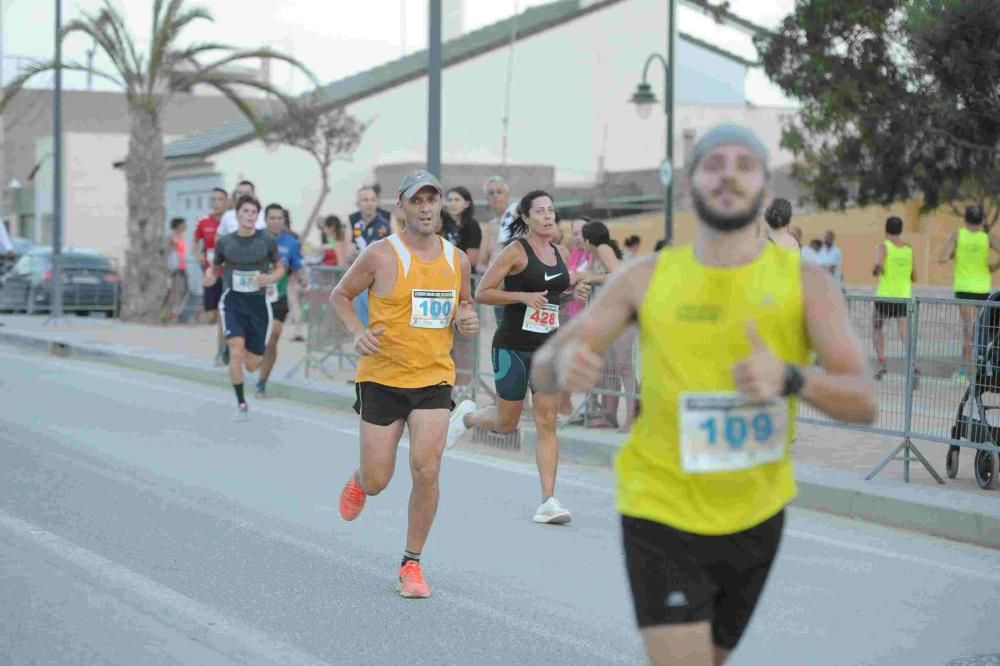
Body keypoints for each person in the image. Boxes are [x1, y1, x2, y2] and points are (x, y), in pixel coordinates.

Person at [530, 123, 877, 666]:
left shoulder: (806, 283)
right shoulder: (646, 278)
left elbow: (865, 401)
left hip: (757, 513)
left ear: (765, 189)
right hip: (660, 507)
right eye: (714, 164)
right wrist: (563, 365)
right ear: (691, 185)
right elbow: (545, 364)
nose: (729, 175)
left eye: (745, 164)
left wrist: (791, 378)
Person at [331, 170, 479, 599]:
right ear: (403, 206)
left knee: (426, 468)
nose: (427, 208)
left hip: (433, 377)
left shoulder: (457, 260)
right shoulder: (380, 254)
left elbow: (463, 305)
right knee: (380, 478)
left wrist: (466, 318)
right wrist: (358, 331)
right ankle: (361, 480)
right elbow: (340, 295)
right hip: (382, 377)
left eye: (433, 200)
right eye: (418, 201)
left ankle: (411, 563)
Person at [453, 190, 573, 524]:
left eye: (551, 210)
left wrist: (571, 293)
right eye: (540, 212)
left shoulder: (560, 251)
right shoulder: (514, 251)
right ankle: (468, 417)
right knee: (506, 424)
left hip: (547, 350)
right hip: (512, 346)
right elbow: (483, 292)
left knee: (547, 421)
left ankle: (548, 500)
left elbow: (552, 298)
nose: (548, 217)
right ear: (525, 217)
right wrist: (522, 295)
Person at [204, 195, 284, 421]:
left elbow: (280, 268)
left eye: (253, 213)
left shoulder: (266, 241)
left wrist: (270, 278)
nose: (249, 216)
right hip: (233, 302)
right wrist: (210, 277)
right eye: (245, 212)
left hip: (258, 304)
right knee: (236, 351)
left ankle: (245, 354)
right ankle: (241, 403)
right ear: (237, 215)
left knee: (252, 364)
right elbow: (215, 268)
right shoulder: (225, 242)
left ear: (257, 217)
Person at [578, 220, 636, 431]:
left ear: (588, 239)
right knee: (614, 369)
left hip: (623, 317)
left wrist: (593, 277)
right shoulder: (597, 254)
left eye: (581, 239)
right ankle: (613, 415)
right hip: (614, 318)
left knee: (624, 368)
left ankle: (631, 418)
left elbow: (618, 274)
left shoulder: (602, 249)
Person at [938, 204, 1000, 380]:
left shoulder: (957, 235)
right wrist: (994, 266)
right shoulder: (987, 238)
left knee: (969, 329)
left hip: (964, 288)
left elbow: (942, 257)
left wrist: (954, 253)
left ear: (965, 220)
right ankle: (984, 367)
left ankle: (964, 371)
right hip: (982, 289)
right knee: (982, 330)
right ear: (982, 220)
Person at [256, 204, 303, 398]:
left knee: (273, 336)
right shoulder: (255, 238)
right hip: (255, 296)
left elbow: (297, 266)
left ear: (284, 220)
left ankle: (262, 382)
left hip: (279, 296)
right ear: (265, 220)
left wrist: (303, 277)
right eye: (272, 218)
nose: (276, 221)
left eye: (279, 218)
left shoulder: (291, 243)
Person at [873, 216, 916, 381]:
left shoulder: (883, 247)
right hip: (903, 296)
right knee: (904, 331)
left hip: (885, 295)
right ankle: (913, 364)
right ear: (901, 230)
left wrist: (877, 268)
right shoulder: (908, 249)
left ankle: (882, 363)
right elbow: (914, 275)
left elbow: (878, 267)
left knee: (877, 328)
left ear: (886, 229)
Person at [351, 186, 393, 329]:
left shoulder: (383, 225)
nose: (369, 203)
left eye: (372, 200)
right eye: (365, 200)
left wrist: (357, 253)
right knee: (363, 323)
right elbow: (349, 252)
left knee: (377, 323)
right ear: (358, 204)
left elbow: (371, 253)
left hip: (378, 281)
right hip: (361, 280)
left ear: (377, 203)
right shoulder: (357, 225)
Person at [195, 187, 228, 363]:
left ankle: (221, 352)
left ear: (226, 201)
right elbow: (195, 244)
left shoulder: (231, 220)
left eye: (220, 199)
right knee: (211, 317)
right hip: (210, 273)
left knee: (223, 314)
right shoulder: (203, 221)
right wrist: (199, 257)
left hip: (227, 273)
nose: (216, 203)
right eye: (213, 199)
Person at [479, 176, 520, 275]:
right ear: (487, 198)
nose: (495, 195)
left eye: (499, 191)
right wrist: (492, 274)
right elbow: (479, 265)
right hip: (494, 280)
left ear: (507, 195)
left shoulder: (519, 219)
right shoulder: (489, 227)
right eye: (491, 193)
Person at [446, 186, 483, 269]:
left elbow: (472, 260)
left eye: (457, 200)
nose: (452, 204)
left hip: (463, 272)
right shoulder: (442, 224)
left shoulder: (472, 225)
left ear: (467, 204)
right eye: (449, 200)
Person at [162, 217, 189, 323]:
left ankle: (173, 313)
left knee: (185, 290)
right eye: (184, 224)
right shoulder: (171, 238)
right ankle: (171, 315)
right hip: (174, 268)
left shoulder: (181, 238)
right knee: (175, 292)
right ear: (178, 226)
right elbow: (165, 253)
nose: (185, 226)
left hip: (182, 267)